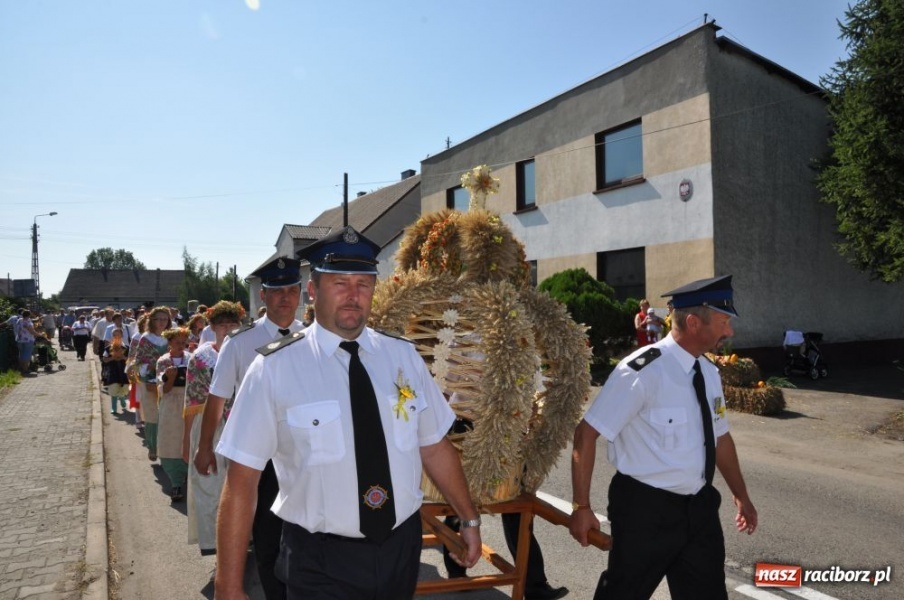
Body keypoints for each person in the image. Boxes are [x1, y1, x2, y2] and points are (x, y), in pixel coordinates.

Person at [214, 227, 482, 600]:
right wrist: (228, 586)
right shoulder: (275, 368)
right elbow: (242, 480)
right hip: (319, 560)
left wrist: (467, 517)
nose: (354, 296)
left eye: (364, 283)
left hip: (400, 550)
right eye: (340, 283)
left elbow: (434, 446)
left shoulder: (401, 356)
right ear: (314, 290)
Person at [570, 275, 758, 600]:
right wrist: (581, 506)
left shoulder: (709, 373)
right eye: (723, 321)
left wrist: (741, 496)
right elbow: (586, 435)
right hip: (646, 511)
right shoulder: (641, 372)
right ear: (694, 322)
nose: (730, 332)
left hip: (699, 508)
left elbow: (720, 438)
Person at [193, 256, 306, 600]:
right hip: (260, 456)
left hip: (304, 450)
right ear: (263, 297)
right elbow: (216, 398)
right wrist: (204, 447)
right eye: (276, 291)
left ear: (301, 293)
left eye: (291, 289)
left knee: (305, 531)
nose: (285, 297)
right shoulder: (240, 343)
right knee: (269, 535)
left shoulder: (312, 336)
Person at [183, 301, 244, 559]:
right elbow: (193, 401)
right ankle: (215, 543)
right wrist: (188, 440)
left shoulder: (249, 352)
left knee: (242, 486)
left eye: (232, 324)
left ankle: (244, 538)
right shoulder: (200, 359)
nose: (228, 329)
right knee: (211, 484)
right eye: (222, 325)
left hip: (242, 425)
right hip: (211, 427)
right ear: (213, 328)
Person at [157, 327, 192, 502]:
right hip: (171, 404)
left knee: (188, 438)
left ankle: (189, 477)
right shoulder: (163, 361)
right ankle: (176, 482)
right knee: (171, 440)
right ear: (169, 342)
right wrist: (170, 378)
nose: (181, 345)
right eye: (177, 342)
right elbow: (164, 389)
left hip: (189, 402)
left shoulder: (192, 359)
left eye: (183, 342)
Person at [131, 307, 172, 461]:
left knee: (167, 416)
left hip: (170, 382)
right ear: (151, 321)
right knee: (152, 416)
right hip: (150, 381)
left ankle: (166, 448)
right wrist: (156, 365)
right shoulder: (145, 339)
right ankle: (153, 447)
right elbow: (139, 361)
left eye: (165, 319)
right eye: (158, 319)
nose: (162, 322)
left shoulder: (170, 337)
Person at [102, 328, 130, 414]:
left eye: (118, 334)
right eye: (114, 335)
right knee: (113, 388)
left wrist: (123, 357)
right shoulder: (108, 348)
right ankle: (113, 407)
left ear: (122, 335)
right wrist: (112, 358)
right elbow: (104, 359)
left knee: (124, 388)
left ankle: (121, 398)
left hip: (123, 371)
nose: (116, 336)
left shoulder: (127, 348)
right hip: (113, 371)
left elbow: (131, 360)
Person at [14, 309, 37, 375]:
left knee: (21, 354)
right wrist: (39, 334)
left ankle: (21, 369)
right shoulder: (28, 322)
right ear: (29, 315)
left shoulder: (19, 320)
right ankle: (25, 370)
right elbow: (32, 331)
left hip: (19, 339)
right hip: (28, 340)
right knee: (27, 354)